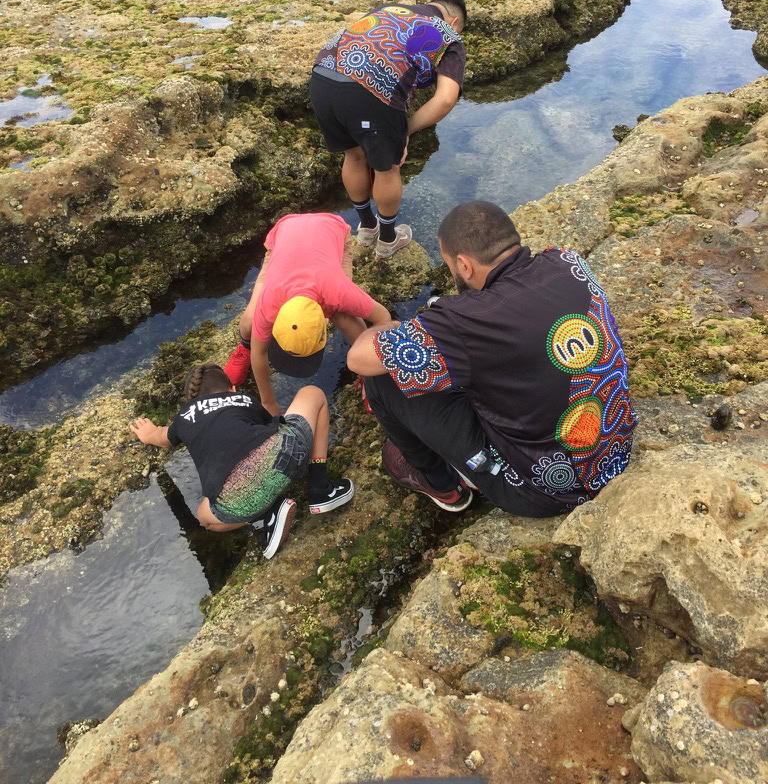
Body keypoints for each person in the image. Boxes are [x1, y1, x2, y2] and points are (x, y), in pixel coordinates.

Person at [347, 200, 637, 515]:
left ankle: (440, 482)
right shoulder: (567, 261)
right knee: (466, 361)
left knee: (382, 380)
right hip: (614, 449)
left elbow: (359, 358)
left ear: (464, 265)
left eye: (449, 265)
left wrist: (390, 325)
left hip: (549, 489)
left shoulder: (467, 320)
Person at [130, 363, 354, 558]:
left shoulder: (184, 417)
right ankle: (320, 489)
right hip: (286, 460)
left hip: (237, 501)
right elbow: (271, 427)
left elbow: (162, 438)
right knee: (312, 393)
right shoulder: (242, 399)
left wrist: (149, 433)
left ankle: (270, 513)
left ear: (192, 402)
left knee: (205, 517)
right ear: (232, 389)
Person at [311, 0, 467, 258]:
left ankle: (366, 228)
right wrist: (404, 129)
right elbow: (445, 100)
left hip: (322, 78)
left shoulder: (387, 8)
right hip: (371, 89)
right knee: (387, 168)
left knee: (354, 154)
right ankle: (387, 240)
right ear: (453, 20)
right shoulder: (449, 34)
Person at [223, 212, 393, 414]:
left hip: (332, 229)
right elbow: (259, 353)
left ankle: (369, 376)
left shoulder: (338, 291)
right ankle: (243, 348)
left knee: (345, 316)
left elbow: (383, 318)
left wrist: (375, 363)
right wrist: (268, 402)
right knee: (250, 319)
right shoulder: (269, 303)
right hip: (285, 231)